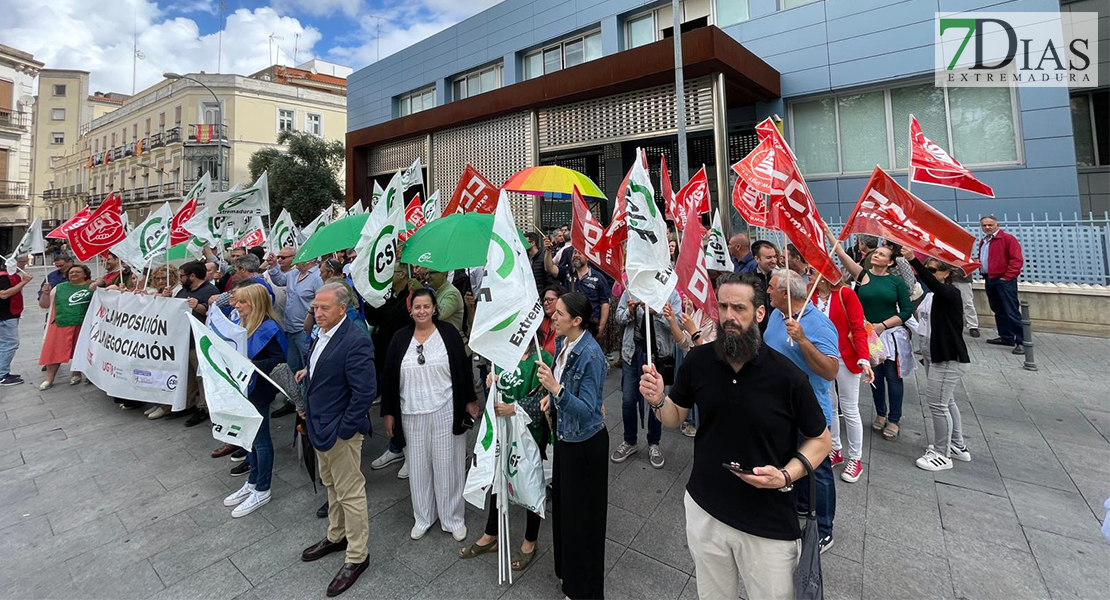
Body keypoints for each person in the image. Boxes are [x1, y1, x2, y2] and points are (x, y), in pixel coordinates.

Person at [638, 272, 831, 600]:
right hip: (705, 508)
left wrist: (786, 474)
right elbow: (675, 417)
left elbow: (821, 440)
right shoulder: (699, 361)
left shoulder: (787, 376)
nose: (729, 316)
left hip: (767, 523)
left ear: (759, 313)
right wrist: (658, 399)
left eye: (739, 308)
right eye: (723, 306)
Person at [296, 283, 376, 597]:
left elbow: (365, 393)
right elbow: (324, 368)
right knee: (331, 485)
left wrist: (345, 430)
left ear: (342, 308)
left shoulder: (355, 340)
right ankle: (337, 534)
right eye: (315, 307)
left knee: (350, 492)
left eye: (324, 308)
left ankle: (357, 555)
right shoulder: (321, 333)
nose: (317, 313)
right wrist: (307, 373)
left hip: (339, 431)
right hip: (319, 424)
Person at [380, 288, 478, 541]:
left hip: (446, 408)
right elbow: (390, 377)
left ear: (434, 309)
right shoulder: (400, 338)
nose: (422, 311)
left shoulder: (448, 334)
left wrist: (469, 401)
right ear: (410, 310)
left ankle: (452, 518)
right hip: (411, 411)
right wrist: (388, 412)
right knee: (419, 467)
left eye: (426, 306)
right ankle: (423, 516)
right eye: (417, 307)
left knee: (449, 465)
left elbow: (462, 369)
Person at [535, 292, 608, 600]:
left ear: (577, 321)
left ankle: (584, 589)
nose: (554, 316)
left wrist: (556, 389)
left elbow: (590, 408)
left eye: (560, 314)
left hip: (585, 445)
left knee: (584, 521)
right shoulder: (565, 344)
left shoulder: (591, 355)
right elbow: (563, 388)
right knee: (566, 514)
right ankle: (569, 577)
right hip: (566, 439)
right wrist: (550, 398)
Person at [763, 268, 840, 552]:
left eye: (771, 287)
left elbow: (831, 371)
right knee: (790, 462)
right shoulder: (776, 315)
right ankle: (802, 507)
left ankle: (824, 529)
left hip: (808, 410)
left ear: (785, 293)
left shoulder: (818, 324)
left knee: (817, 469)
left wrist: (804, 340)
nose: (767, 290)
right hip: (777, 408)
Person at [459, 345, 553, 570]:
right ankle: (491, 534)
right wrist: (492, 382)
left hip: (530, 434)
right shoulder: (501, 354)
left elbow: (546, 399)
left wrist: (514, 407)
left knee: (531, 483)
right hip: (504, 430)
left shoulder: (543, 357)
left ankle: (530, 540)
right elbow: (497, 391)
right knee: (498, 478)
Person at [831, 227, 913, 441]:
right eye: (876, 253)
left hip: (889, 334)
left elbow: (906, 310)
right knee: (874, 375)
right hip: (867, 334)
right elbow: (840, 254)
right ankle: (880, 413)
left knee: (894, 378)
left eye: (882, 254)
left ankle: (894, 419)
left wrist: (882, 326)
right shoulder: (862, 275)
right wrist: (829, 235)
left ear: (890, 262)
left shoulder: (895, 282)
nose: (876, 255)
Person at [902, 249, 973, 472]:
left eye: (934, 270)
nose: (929, 274)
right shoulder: (932, 296)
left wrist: (915, 259)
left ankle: (942, 453)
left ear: (945, 274)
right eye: (929, 269)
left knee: (938, 405)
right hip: (933, 354)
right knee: (947, 402)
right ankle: (957, 444)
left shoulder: (949, 294)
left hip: (947, 357)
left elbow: (929, 282)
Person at [221, 284, 288, 516]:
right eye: (237, 301)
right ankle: (252, 481)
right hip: (242, 388)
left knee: (260, 439)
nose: (237, 306)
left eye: (242, 302)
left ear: (255, 304)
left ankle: (263, 488)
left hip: (259, 390)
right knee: (247, 437)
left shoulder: (270, 327)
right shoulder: (242, 323)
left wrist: (253, 365)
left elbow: (280, 360)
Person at [811, 274, 874, 483]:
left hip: (845, 357)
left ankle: (856, 458)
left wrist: (864, 358)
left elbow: (858, 327)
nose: (809, 275)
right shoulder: (811, 294)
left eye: (812, 271)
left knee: (849, 407)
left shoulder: (845, 294)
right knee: (829, 405)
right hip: (823, 358)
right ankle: (835, 449)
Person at [611, 289, 680, 469]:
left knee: (657, 401)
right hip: (631, 354)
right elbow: (618, 317)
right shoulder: (631, 289)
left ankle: (654, 444)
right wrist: (630, 312)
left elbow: (677, 323)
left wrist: (656, 312)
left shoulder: (670, 292)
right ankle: (630, 441)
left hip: (658, 356)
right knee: (628, 400)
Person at [365, 262, 415, 481]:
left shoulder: (412, 294)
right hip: (386, 353)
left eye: (392, 272)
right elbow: (375, 319)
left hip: (406, 355)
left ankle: (409, 454)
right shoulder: (386, 294)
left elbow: (397, 318)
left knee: (406, 405)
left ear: (402, 274)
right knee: (392, 402)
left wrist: (381, 302)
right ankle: (395, 446)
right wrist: (370, 298)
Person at [173, 260, 222, 427]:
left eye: (182, 276)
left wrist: (199, 307)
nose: (180, 279)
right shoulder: (183, 290)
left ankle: (204, 407)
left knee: (201, 376)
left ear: (192, 276)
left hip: (199, 341)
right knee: (188, 375)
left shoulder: (210, 290)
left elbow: (215, 315)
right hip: (183, 340)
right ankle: (187, 403)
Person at [664, 295, 716, 437]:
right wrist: (672, 320)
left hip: (710, 376)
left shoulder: (719, 319)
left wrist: (694, 331)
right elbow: (684, 343)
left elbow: (712, 354)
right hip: (694, 369)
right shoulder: (700, 312)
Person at [38, 264, 96, 390]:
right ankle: (49, 378)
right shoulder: (59, 288)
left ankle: (76, 373)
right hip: (61, 323)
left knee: (79, 351)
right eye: (71, 272)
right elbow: (44, 305)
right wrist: (45, 293)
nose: (74, 274)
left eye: (78, 272)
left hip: (83, 324)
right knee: (53, 352)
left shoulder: (92, 286)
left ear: (85, 274)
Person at [976, 216, 1025, 354]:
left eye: (990, 225)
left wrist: (1006, 277)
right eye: (984, 225)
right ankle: (1006, 337)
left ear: (997, 224)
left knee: (1011, 310)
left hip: (1004, 280)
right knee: (998, 309)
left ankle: (1021, 341)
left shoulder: (1007, 239)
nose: (987, 227)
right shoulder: (984, 241)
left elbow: (1016, 260)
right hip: (990, 278)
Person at [269, 257, 323, 374]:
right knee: (292, 366)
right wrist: (273, 265)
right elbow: (279, 280)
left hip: (306, 330)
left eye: (298, 257)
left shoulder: (318, 277)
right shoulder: (293, 274)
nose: (294, 260)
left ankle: (307, 391)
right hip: (290, 328)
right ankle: (294, 391)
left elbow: (322, 302)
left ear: (308, 261)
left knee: (307, 365)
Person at [555, 248, 611, 335]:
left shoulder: (599, 278)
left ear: (588, 257)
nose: (576, 255)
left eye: (580, 253)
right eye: (574, 252)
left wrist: (601, 327)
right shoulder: (567, 272)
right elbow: (549, 268)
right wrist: (547, 251)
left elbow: (605, 304)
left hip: (590, 325)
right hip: (569, 324)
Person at [0, 255, 32, 386]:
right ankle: (2, 374)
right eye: (24, 262)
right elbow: (4, 294)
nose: (25, 265)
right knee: (10, 343)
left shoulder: (11, 275)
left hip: (9, 314)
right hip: (5, 315)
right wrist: (24, 282)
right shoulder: (3, 276)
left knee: (5, 344)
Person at [748, 240, 779, 331]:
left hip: (777, 328)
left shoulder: (781, 278)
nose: (773, 261)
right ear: (757, 259)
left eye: (774, 256)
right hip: (757, 330)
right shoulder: (749, 279)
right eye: (769, 257)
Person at [536, 284, 566, 355]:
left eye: (550, 300)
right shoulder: (541, 321)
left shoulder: (566, 325)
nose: (545, 303)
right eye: (544, 300)